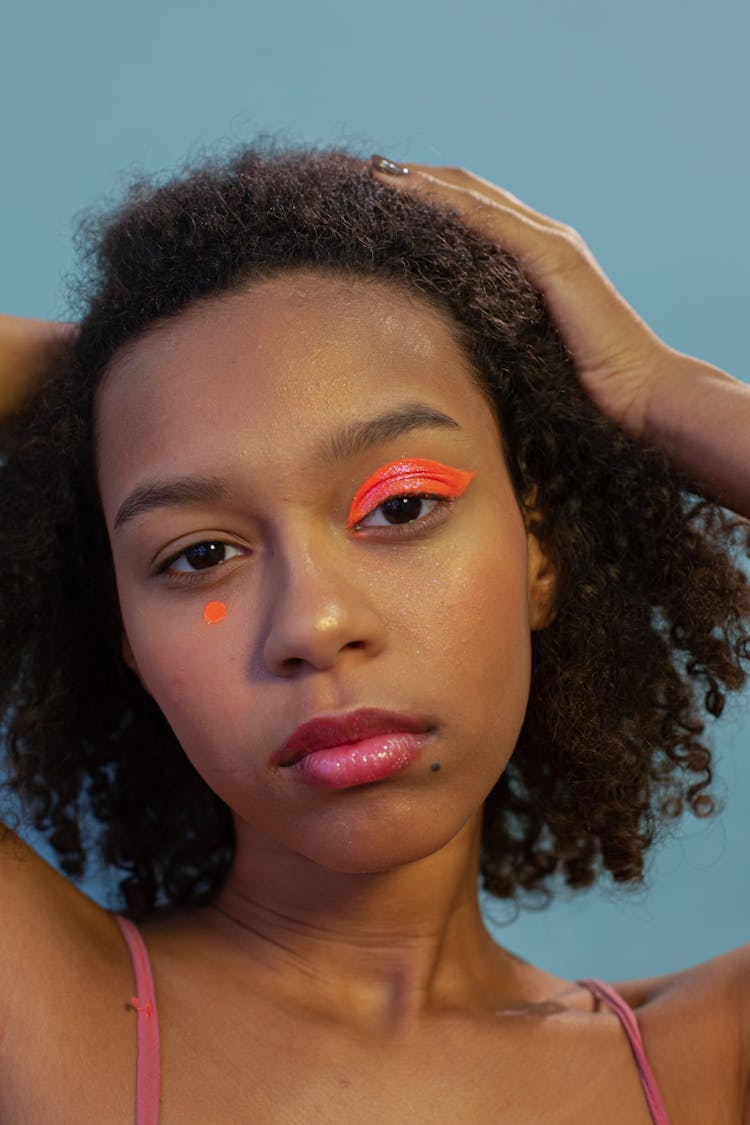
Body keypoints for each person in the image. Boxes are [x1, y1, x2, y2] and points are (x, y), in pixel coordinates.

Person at [0, 148, 748, 1125]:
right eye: (200, 555)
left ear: (542, 552)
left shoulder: (708, 1065)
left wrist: (657, 390)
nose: (313, 625)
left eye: (399, 509)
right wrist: (103, 375)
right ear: (127, 640)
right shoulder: (39, 1012)